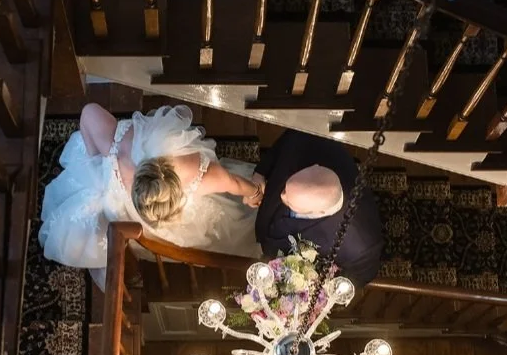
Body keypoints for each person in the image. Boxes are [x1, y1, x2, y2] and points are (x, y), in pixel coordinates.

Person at [39, 103, 264, 286]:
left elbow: (89, 111)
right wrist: (253, 192)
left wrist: (93, 156)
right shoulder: (205, 177)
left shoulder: (118, 146)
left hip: (119, 197)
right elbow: (234, 183)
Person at [252, 129, 384, 288]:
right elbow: (287, 143)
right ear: (313, 167)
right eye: (285, 190)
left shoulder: (360, 248)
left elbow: (358, 278)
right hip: (263, 220)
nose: (282, 197)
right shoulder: (309, 139)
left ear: (319, 212)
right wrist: (260, 173)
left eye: (290, 200)